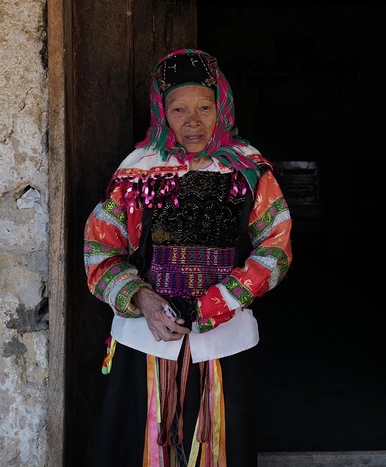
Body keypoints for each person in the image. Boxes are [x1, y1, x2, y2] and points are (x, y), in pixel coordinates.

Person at [84, 48, 293, 466]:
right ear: (162, 114)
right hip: (145, 339)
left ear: (222, 109)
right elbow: (99, 251)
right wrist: (143, 300)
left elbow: (275, 247)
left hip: (223, 341)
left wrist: (215, 303)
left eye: (204, 107)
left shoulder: (250, 171)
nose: (192, 121)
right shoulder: (138, 172)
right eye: (178, 109)